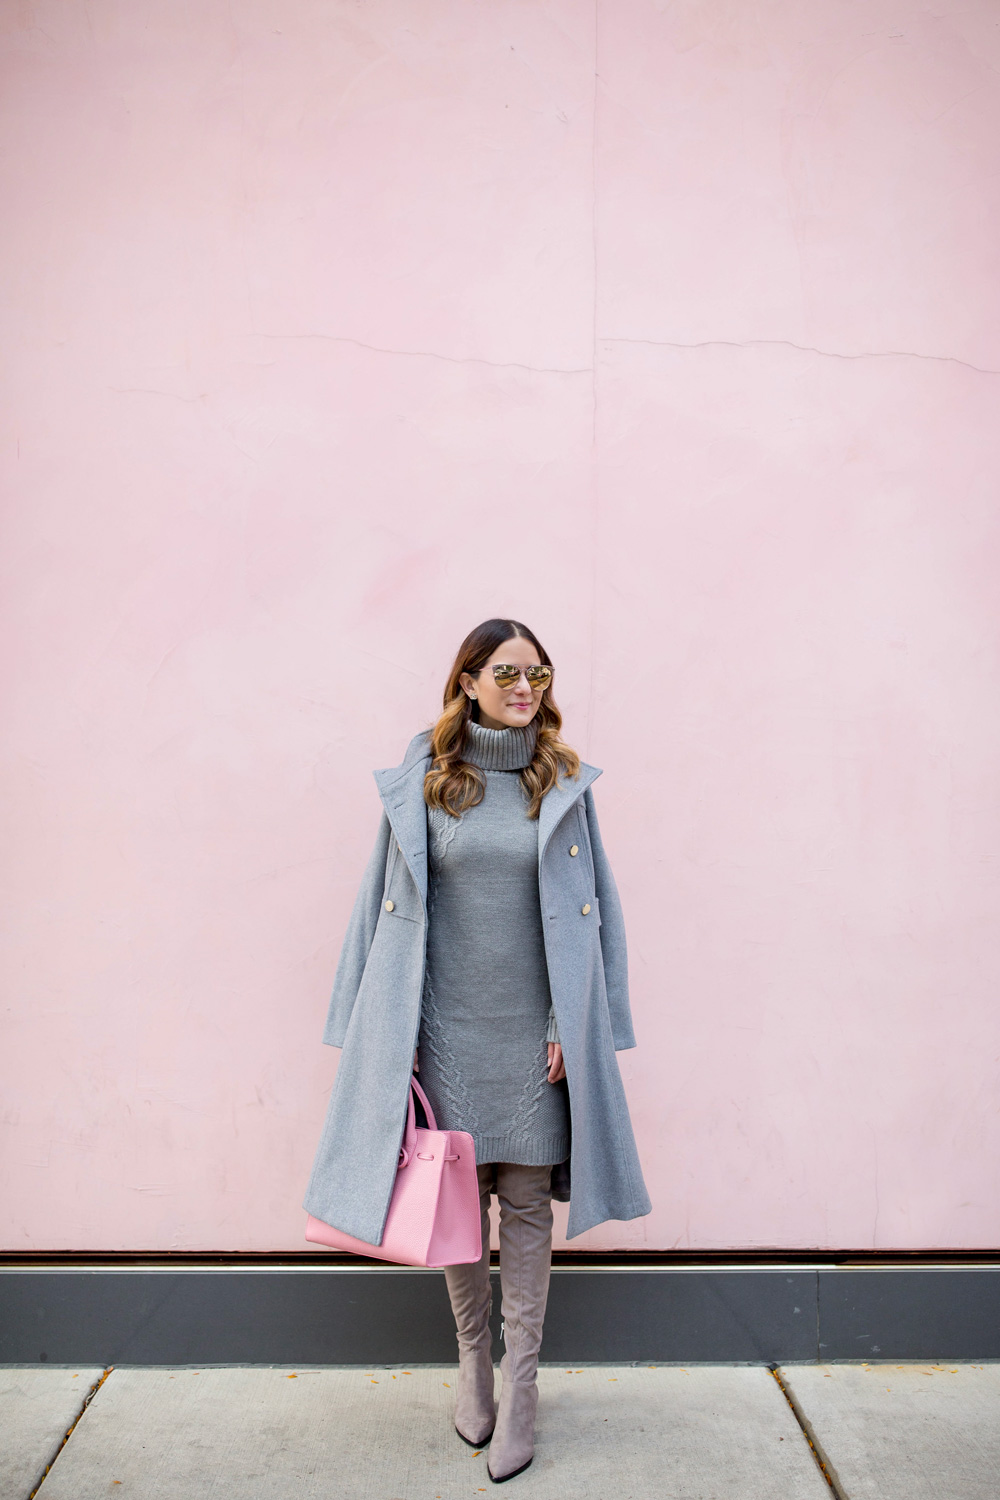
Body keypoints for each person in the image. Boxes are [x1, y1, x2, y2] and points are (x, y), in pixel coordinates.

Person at [304, 617, 650, 1482]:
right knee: (459, 1209)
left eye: (537, 673)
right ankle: (471, 1367)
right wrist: (373, 1030)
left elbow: (596, 906)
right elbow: (379, 899)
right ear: (467, 680)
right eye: (506, 672)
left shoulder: (563, 782)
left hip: (537, 1034)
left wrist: (581, 1026)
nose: (525, 687)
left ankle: (521, 1389)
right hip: (444, 1028)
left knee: (528, 1208)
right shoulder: (426, 780)